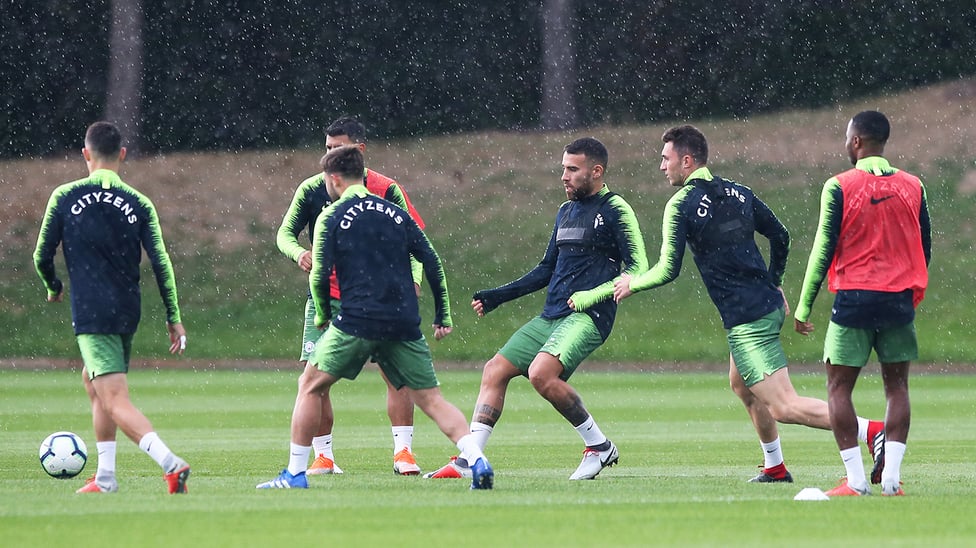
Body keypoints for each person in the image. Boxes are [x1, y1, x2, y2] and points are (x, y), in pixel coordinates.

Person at [573, 125, 883, 483]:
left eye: (666, 159)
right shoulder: (739, 192)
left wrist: (632, 283)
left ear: (686, 161)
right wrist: (775, 281)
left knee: (784, 406)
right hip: (761, 304)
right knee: (742, 386)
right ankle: (775, 467)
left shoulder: (681, 204)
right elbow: (780, 236)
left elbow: (668, 269)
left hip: (747, 317)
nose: (662, 167)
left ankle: (873, 432)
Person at [258, 145, 493, 489]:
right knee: (431, 399)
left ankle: (294, 473)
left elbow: (320, 273)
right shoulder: (394, 212)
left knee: (309, 386)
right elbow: (431, 260)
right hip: (403, 321)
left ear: (334, 179)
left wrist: (323, 314)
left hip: (358, 320)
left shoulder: (332, 215)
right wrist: (443, 315)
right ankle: (477, 458)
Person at [424, 137, 647, 481]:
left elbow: (638, 268)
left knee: (541, 375)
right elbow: (547, 269)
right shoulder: (565, 211)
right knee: (494, 370)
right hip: (552, 315)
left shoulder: (616, 209)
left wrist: (592, 296)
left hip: (589, 317)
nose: (564, 176)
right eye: (563, 169)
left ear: (596, 171)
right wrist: (500, 295)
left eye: (572, 169)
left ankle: (599, 447)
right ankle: (471, 459)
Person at [33, 121, 191, 494]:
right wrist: (174, 317)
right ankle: (105, 477)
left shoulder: (64, 197)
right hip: (125, 310)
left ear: (86, 154)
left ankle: (171, 464)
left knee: (115, 398)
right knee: (93, 383)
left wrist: (53, 287)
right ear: (122, 154)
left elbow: (42, 255)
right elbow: (161, 262)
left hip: (92, 313)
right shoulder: (139, 202)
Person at [276, 116, 426, 476]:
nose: (328, 155)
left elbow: (417, 240)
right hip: (328, 299)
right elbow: (284, 233)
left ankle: (403, 452)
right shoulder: (312, 189)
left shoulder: (387, 189)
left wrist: (415, 280)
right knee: (315, 381)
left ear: (359, 149)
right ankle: (323, 456)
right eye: (326, 148)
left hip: (380, 298)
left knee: (397, 375)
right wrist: (299, 253)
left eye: (337, 148)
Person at [795, 111, 931, 497]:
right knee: (897, 387)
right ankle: (891, 480)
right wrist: (910, 289)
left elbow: (823, 248)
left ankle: (855, 480)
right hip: (898, 301)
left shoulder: (839, 185)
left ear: (856, 142)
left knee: (838, 389)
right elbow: (925, 248)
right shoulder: (914, 185)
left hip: (854, 299)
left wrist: (805, 307)